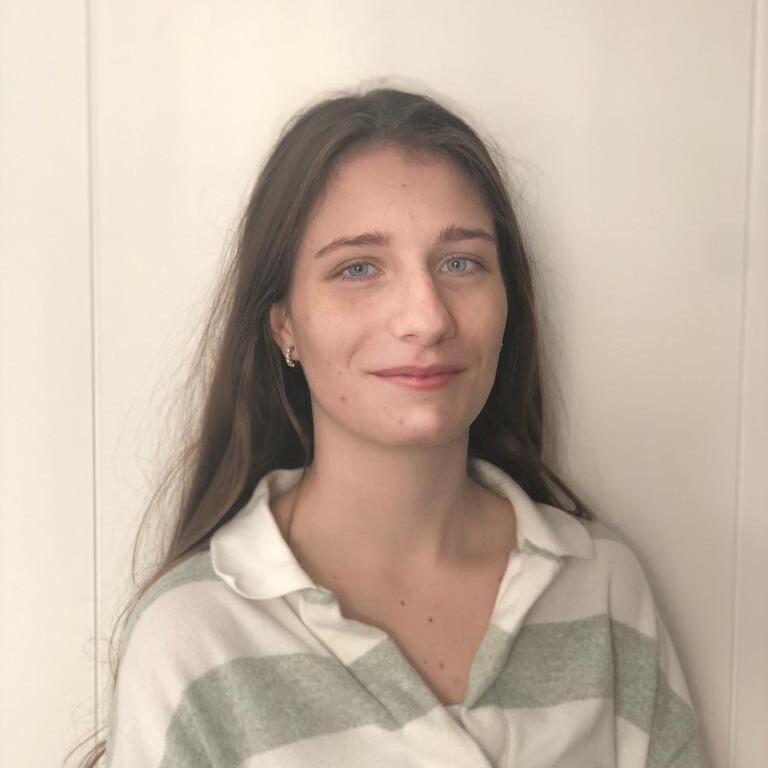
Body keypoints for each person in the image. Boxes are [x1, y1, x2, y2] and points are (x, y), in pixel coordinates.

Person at [67, 85, 709, 767]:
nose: (427, 318)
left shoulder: (603, 587)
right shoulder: (190, 640)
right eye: (358, 268)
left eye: (460, 262)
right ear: (284, 324)